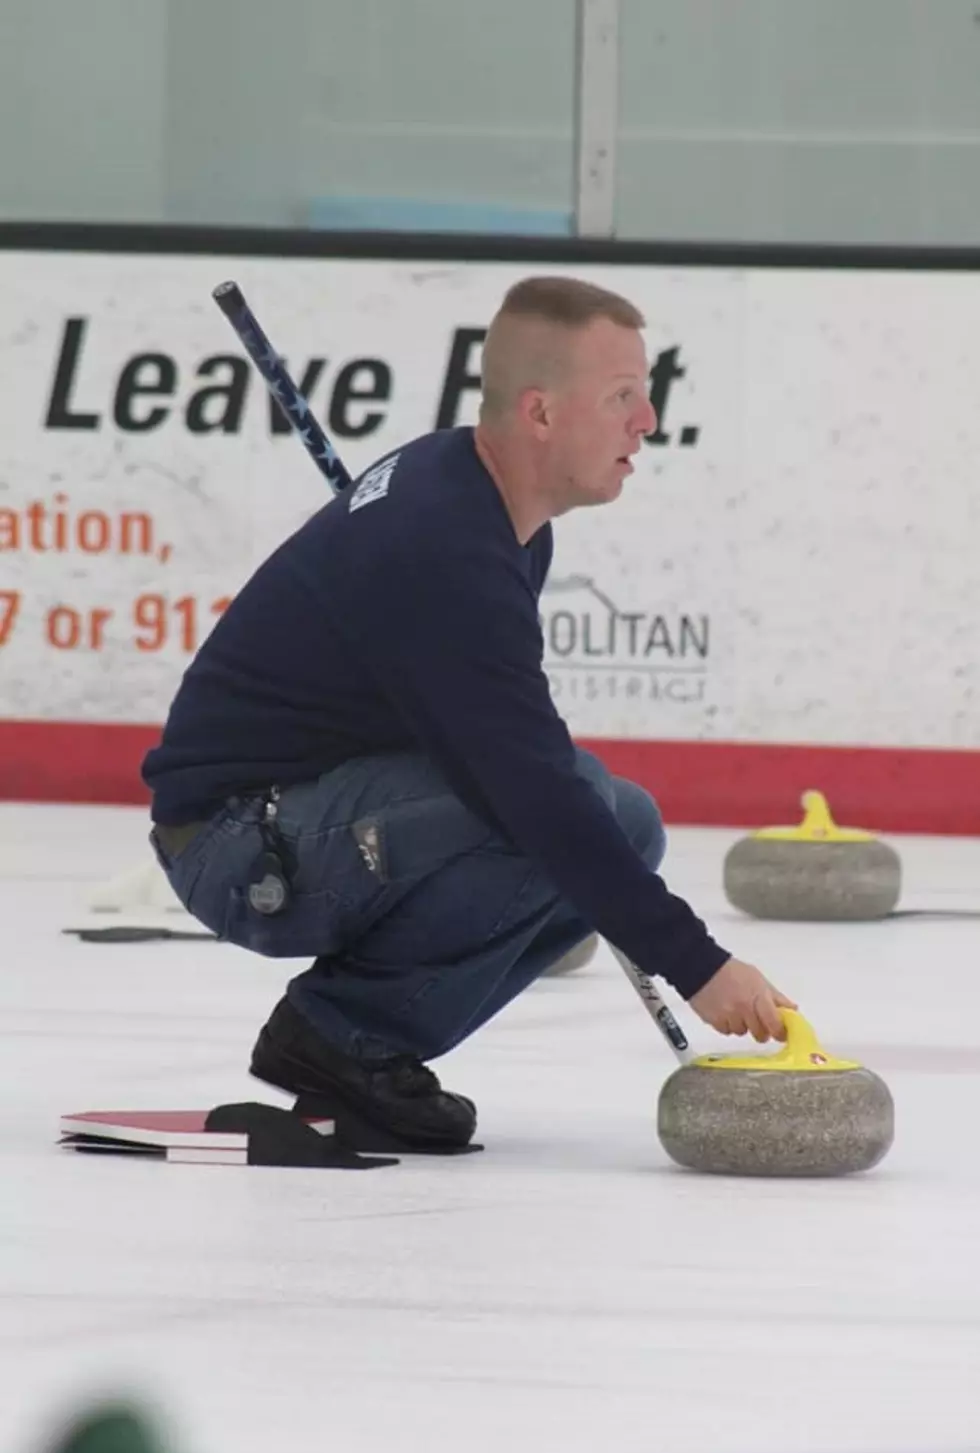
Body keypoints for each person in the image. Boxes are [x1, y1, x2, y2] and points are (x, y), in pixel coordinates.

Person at [141, 275, 795, 1152]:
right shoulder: (441, 546)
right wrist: (700, 967)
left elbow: (521, 764)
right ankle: (341, 1038)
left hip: (318, 807)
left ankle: (360, 1033)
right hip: (239, 843)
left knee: (622, 820)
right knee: (563, 815)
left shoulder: (490, 511)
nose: (648, 422)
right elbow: (530, 791)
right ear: (540, 413)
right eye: (623, 398)